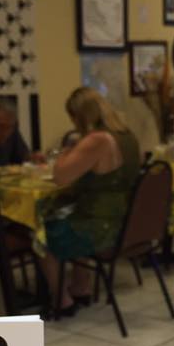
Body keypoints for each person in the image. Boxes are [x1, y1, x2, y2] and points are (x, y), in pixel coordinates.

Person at [37, 87, 140, 316]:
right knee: (72, 213)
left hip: (100, 228)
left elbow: (60, 176)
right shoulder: (127, 135)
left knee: (40, 233)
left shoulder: (97, 139)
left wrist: (66, 149)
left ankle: (61, 300)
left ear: (80, 115)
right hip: (125, 222)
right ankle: (80, 287)